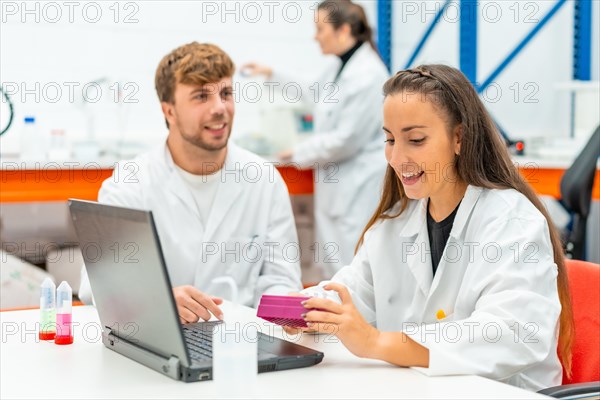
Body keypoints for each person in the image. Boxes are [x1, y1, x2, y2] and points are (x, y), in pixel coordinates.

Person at [288, 65, 574, 391]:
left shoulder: (511, 222)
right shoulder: (394, 224)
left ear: (459, 138)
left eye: (415, 140)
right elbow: (350, 294)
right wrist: (294, 310)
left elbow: (510, 333)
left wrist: (378, 342)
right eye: (390, 139)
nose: (397, 157)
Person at [79, 42, 302, 322]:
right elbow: (96, 286)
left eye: (226, 93)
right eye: (200, 97)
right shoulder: (129, 184)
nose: (219, 108)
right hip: (162, 338)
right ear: (169, 111)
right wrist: (159, 299)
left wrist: (291, 314)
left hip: (241, 343)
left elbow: (281, 281)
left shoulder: (264, 180)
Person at [243, 0, 389, 278]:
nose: (315, 36)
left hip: (356, 187)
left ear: (343, 29)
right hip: (339, 187)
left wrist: (296, 153)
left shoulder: (368, 76)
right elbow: (314, 91)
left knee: (353, 268)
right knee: (337, 267)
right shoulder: (340, 68)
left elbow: (347, 139)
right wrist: (272, 74)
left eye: (320, 28)